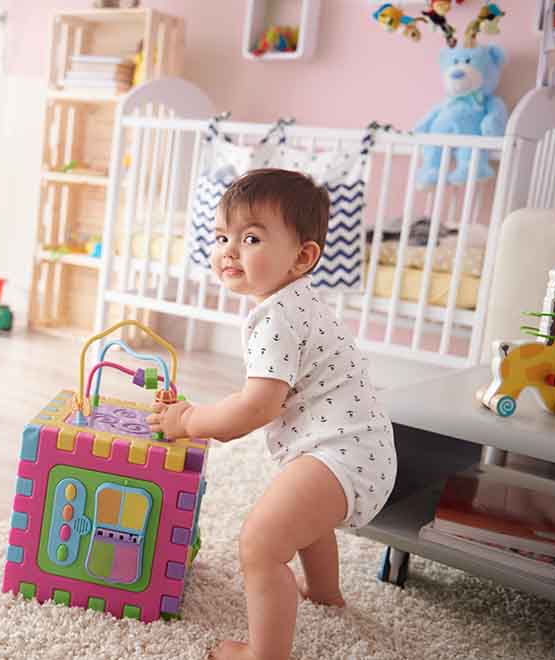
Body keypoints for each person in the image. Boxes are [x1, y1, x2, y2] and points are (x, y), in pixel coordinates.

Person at [148, 169, 397, 660]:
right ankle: (325, 592)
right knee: (303, 517)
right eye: (223, 237)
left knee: (261, 545)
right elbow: (269, 388)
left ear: (302, 256)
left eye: (251, 237)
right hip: (362, 452)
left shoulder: (277, 317)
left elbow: (257, 407)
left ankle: (263, 654)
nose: (229, 250)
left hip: (340, 455)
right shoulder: (296, 302)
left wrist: (188, 421)